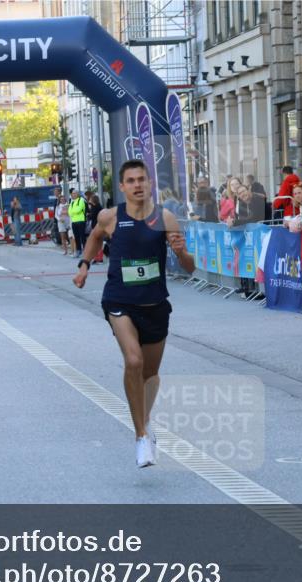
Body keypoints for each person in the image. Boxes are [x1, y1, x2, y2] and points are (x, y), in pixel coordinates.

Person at [72, 160, 195, 468]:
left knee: (150, 376)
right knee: (134, 361)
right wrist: (85, 265)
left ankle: (145, 419)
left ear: (149, 184)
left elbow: (190, 268)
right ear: (123, 186)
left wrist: (181, 252)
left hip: (154, 305)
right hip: (119, 301)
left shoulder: (165, 218)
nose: (138, 184)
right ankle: (141, 436)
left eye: (142, 179)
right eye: (131, 180)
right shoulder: (110, 216)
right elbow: (95, 237)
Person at [68, 189, 87, 256]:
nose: (74, 194)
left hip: (81, 221)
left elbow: (79, 210)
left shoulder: (81, 200)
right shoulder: (72, 202)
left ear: (78, 194)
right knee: (76, 237)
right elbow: (69, 212)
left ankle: (85, 250)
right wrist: (73, 212)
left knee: (82, 236)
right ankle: (79, 250)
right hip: (74, 222)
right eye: (73, 193)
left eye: (75, 193)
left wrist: (73, 211)